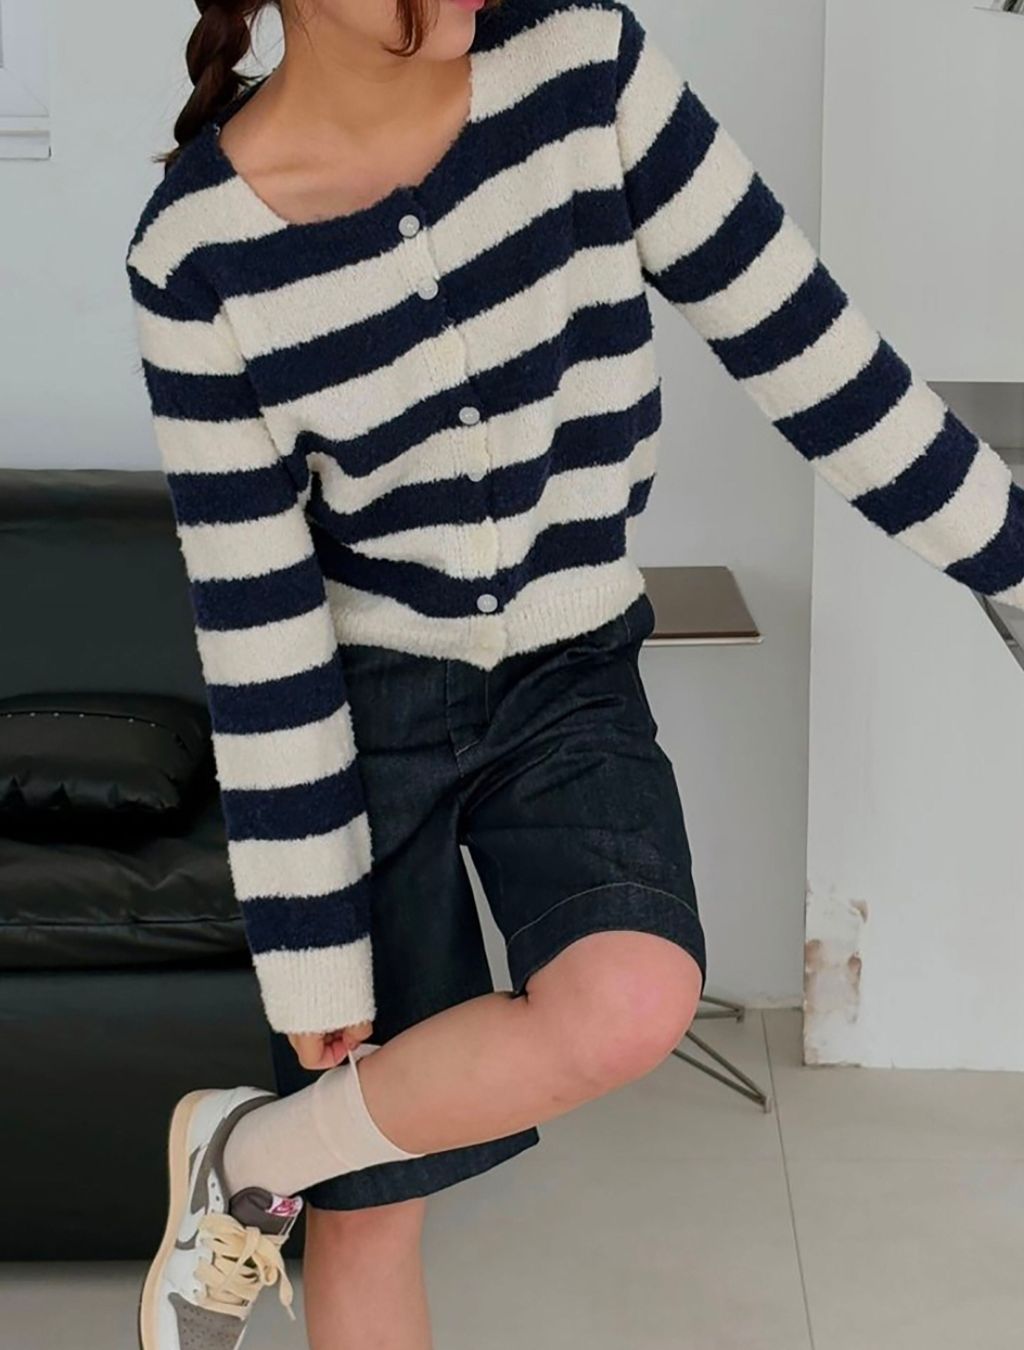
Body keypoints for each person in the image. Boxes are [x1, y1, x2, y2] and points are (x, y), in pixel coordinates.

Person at [124, 0, 1024, 1346]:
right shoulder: (198, 250)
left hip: (570, 672)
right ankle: (275, 1163)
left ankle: (252, 1154)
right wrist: (312, 954)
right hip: (362, 720)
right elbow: (260, 625)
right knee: (370, 1210)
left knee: (634, 995)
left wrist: (1013, 556)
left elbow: (809, 348)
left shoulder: (582, 68)